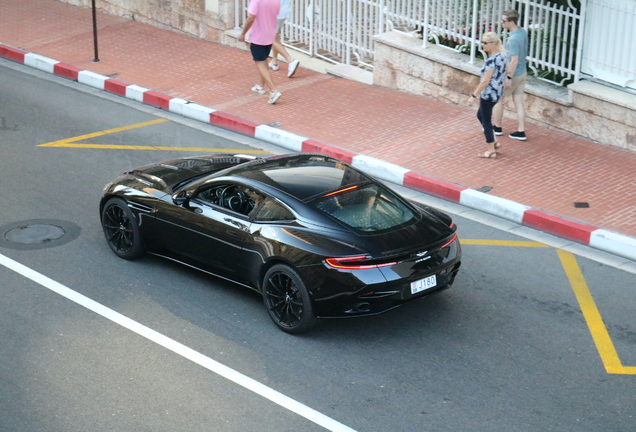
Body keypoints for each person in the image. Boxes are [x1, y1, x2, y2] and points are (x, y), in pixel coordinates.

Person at [467, 32, 507, 159]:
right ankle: (494, 141)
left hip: (489, 94)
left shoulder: (491, 61)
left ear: (494, 44)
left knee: (486, 120)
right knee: (481, 115)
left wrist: (473, 96)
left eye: (485, 43)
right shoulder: (502, 57)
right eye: (482, 42)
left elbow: (485, 81)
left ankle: (491, 149)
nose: (482, 45)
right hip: (498, 92)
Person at [493, 9, 528, 141]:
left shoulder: (513, 40)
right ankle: (521, 130)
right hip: (523, 72)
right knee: (518, 102)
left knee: (498, 99)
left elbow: (514, 60)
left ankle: (497, 127)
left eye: (504, 21)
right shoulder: (522, 32)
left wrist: (508, 76)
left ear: (511, 22)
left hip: (514, 74)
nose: (502, 23)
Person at [238, 0, 282, 105]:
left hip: (258, 37)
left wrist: (243, 33)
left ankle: (273, 90)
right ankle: (260, 86)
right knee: (264, 60)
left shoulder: (256, 1)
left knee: (260, 63)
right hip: (270, 35)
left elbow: (250, 18)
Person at [268, 0, 300, 78]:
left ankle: (290, 60)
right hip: (284, 11)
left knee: (270, 38)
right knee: (276, 37)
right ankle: (274, 61)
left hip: (274, 13)